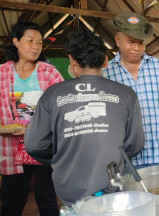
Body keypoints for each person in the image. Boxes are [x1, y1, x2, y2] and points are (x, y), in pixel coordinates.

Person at [24, 29, 145, 205]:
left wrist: (62, 156)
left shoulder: (52, 95)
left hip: (69, 187)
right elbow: (135, 144)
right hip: (113, 184)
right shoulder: (126, 94)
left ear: (72, 60)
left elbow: (34, 145)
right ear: (105, 61)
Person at [0, 22, 62, 216]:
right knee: (12, 198)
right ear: (16, 42)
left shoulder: (49, 72)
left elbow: (62, 106)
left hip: (45, 145)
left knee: (46, 197)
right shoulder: (1, 73)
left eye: (39, 43)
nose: (35, 47)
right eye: (30, 41)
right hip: (12, 146)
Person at [103, 12, 159, 169]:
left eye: (141, 43)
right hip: (126, 158)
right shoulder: (107, 73)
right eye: (131, 42)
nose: (136, 48)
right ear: (117, 40)